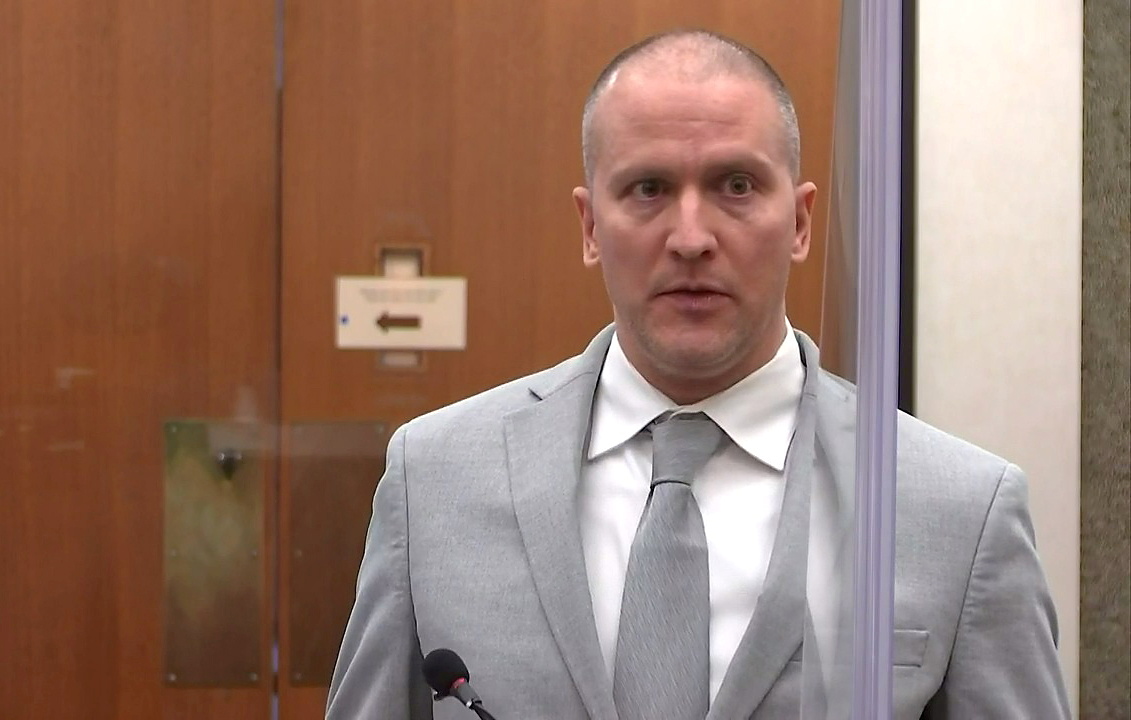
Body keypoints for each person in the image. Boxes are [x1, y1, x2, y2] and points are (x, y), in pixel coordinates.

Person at [326, 29, 1071, 720]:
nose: (689, 238)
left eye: (736, 186)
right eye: (647, 189)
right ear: (590, 227)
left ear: (802, 221)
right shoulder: (433, 479)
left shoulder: (958, 510)